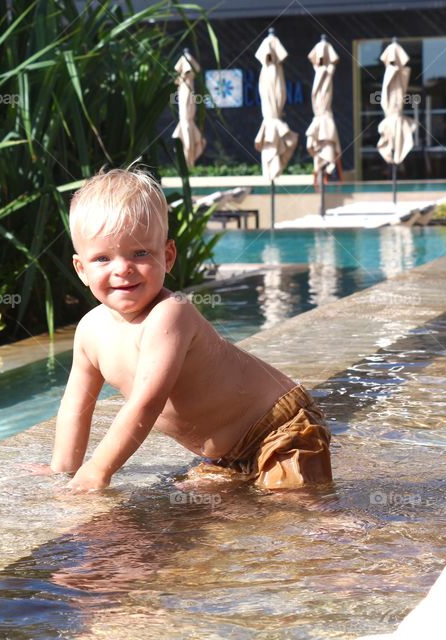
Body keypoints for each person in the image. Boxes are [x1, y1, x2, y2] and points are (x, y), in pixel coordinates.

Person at [49, 168, 332, 491]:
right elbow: (76, 405)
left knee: (299, 513)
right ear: (81, 269)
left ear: (167, 257)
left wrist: (98, 470)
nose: (123, 268)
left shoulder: (170, 314)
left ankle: (350, 530)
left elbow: (146, 403)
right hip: (226, 454)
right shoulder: (90, 331)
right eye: (103, 258)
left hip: (279, 428)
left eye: (140, 253)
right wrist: (63, 470)